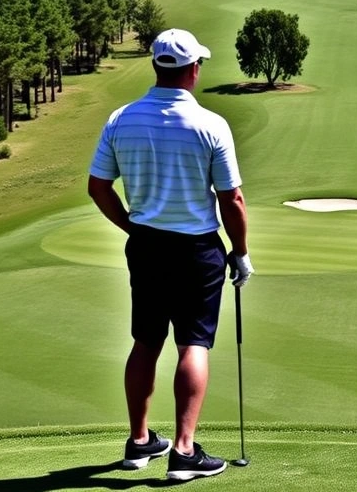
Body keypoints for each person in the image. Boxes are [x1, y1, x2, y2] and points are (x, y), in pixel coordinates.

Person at [87, 28, 254, 482]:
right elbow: (231, 199)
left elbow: (98, 186)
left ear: (157, 66)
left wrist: (130, 227)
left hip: (145, 245)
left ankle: (140, 442)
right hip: (197, 248)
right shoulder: (210, 125)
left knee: (146, 341)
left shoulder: (121, 119)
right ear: (194, 69)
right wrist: (240, 253)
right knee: (193, 343)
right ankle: (183, 452)